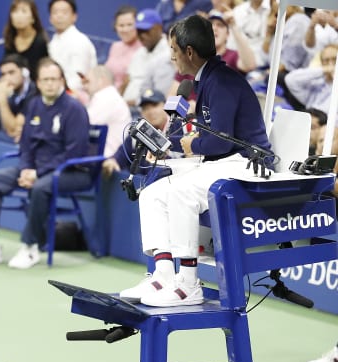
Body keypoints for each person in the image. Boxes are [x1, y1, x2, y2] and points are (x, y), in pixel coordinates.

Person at [119, 14, 271, 307]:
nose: (172, 56)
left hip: (248, 165)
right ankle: (163, 275)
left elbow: (221, 140)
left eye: (174, 50)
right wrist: (172, 144)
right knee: (152, 192)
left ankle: (188, 284)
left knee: (180, 193)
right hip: (223, 163)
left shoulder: (222, 82)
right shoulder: (206, 80)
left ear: (189, 52)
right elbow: (206, 139)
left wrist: (193, 144)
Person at [0, 58, 91, 269]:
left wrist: (37, 173)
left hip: (70, 171)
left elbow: (73, 153)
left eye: (54, 79)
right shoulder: (34, 105)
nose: (50, 84)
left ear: (62, 81)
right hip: (36, 169)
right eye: (45, 79)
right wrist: (26, 168)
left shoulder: (74, 109)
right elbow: (26, 145)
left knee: (40, 188)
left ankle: (30, 248)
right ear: (38, 83)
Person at [102, 89, 170, 178]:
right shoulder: (137, 133)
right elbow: (121, 155)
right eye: (145, 108)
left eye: (155, 105)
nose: (151, 111)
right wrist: (112, 161)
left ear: (165, 106)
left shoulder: (180, 129)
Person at [122, 8, 175, 108]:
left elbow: (161, 95)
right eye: (139, 31)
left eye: (146, 31)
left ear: (159, 28)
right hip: (126, 107)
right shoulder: (139, 52)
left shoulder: (169, 53)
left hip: (147, 109)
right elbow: (127, 80)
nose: (142, 36)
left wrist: (135, 102)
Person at [0, 54, 38, 143]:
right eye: (3, 74)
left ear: (25, 72)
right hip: (14, 137)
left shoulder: (34, 93)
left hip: (28, 141)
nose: (7, 78)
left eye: (11, 73)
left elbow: (13, 130)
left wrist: (2, 98)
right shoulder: (10, 89)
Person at [79, 65, 131, 158]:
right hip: (100, 157)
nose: (84, 87)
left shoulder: (108, 98)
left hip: (108, 160)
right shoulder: (105, 98)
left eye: (87, 82)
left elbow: (81, 125)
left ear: (101, 80)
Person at [47, 0, 98, 95]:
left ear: (74, 17)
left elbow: (77, 80)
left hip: (75, 97)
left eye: (64, 12)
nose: (59, 16)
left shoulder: (80, 41)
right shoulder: (53, 41)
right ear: (50, 18)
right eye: (55, 12)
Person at [283, 44, 337, 115]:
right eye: (326, 60)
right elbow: (290, 79)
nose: (331, 63)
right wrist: (324, 70)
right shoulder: (316, 83)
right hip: (310, 118)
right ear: (322, 63)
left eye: (335, 59)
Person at [2, 0, 49, 81]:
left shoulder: (41, 42)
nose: (19, 16)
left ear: (33, 18)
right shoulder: (10, 40)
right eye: (15, 11)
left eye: (24, 11)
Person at [104, 5, 143, 93]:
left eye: (130, 25)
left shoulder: (143, 48)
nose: (125, 29)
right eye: (121, 25)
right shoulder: (115, 46)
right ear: (115, 27)